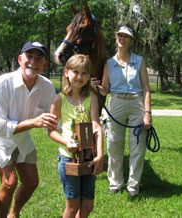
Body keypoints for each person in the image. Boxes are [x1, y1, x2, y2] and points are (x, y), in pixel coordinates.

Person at [0, 41, 58, 218]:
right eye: (29, 56)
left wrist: (72, 134)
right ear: (20, 59)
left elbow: (54, 120)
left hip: (21, 137)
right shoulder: (1, 85)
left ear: (44, 64)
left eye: (39, 58)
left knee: (31, 181)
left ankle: (13, 214)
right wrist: (34, 122)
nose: (33, 62)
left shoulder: (47, 87)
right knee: (10, 182)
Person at [91, 25, 152, 197]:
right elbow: (105, 89)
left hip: (136, 103)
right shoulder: (109, 63)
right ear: (116, 38)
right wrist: (95, 86)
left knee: (137, 147)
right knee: (114, 145)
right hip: (116, 103)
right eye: (119, 35)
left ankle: (133, 186)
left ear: (131, 40)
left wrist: (147, 113)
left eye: (125, 36)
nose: (121, 38)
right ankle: (115, 183)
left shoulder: (139, 61)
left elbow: (146, 88)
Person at [48, 54, 103, 217]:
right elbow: (51, 131)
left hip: (88, 157)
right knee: (72, 206)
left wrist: (100, 155)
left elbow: (96, 126)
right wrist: (66, 142)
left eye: (85, 73)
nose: (80, 76)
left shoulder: (92, 98)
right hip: (68, 158)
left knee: (87, 205)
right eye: (76, 72)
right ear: (66, 72)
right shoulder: (59, 100)